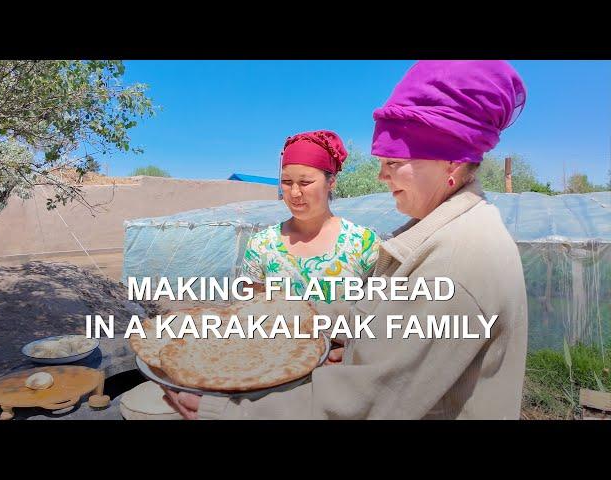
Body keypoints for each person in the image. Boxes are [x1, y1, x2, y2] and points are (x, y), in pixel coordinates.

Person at [164, 60, 529, 419]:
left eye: (393, 161)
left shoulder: (457, 260)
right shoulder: (438, 235)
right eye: (381, 162)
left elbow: (372, 398)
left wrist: (225, 412)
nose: (382, 177)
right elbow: (374, 320)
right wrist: (313, 325)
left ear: (450, 159)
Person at [241, 130, 381, 304]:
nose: (294, 193)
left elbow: (379, 315)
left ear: (331, 182)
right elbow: (249, 315)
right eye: (286, 182)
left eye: (305, 183)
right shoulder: (261, 245)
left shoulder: (363, 244)